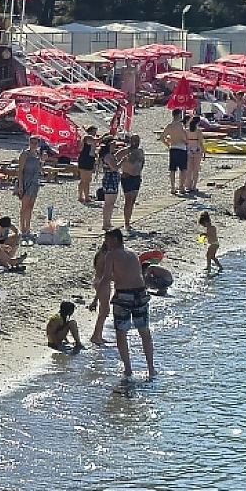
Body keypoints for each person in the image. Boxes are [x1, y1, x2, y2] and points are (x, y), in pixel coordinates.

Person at [94, 229, 155, 379]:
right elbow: (133, 274)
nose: (105, 243)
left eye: (107, 240)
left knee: (121, 333)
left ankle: (128, 369)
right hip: (141, 294)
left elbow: (106, 278)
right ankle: (151, 368)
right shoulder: (133, 253)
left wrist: (95, 299)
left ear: (115, 240)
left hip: (124, 296)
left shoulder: (111, 255)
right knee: (144, 332)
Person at [14, 137, 43, 236]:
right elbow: (20, 171)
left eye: (36, 143)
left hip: (34, 182)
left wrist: (43, 161)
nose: (34, 144)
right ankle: (22, 228)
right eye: (32, 142)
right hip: (26, 181)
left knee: (30, 206)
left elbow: (39, 169)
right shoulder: (24, 154)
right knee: (24, 206)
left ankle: (28, 227)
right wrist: (20, 185)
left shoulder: (37, 155)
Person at [87, 240, 112, 344]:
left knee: (103, 310)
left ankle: (98, 335)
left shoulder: (100, 254)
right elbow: (106, 273)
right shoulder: (105, 256)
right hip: (102, 282)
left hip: (100, 281)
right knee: (104, 311)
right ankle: (96, 336)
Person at [118, 134, 144, 229]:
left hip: (136, 177)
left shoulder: (140, 152)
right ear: (130, 141)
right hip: (127, 177)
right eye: (134, 140)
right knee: (128, 200)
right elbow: (114, 159)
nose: (136, 142)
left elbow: (142, 163)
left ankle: (129, 220)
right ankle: (126, 223)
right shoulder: (125, 151)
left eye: (137, 140)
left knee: (132, 200)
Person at [162, 109, 188, 195]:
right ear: (179, 115)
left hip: (173, 147)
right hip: (181, 148)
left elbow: (162, 137)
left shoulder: (170, 125)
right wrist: (185, 141)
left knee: (172, 169)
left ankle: (173, 187)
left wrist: (168, 144)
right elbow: (184, 137)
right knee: (183, 169)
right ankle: (181, 187)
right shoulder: (180, 125)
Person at [97, 138, 121, 230]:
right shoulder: (108, 156)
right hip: (110, 178)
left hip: (112, 178)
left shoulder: (110, 155)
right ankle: (105, 223)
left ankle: (108, 222)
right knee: (108, 203)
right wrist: (122, 162)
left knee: (111, 203)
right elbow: (114, 168)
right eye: (113, 144)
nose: (115, 145)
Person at [184, 114, 206, 193]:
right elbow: (200, 142)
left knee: (189, 169)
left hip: (189, 150)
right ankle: (194, 186)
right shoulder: (198, 131)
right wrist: (204, 152)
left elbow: (185, 141)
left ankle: (188, 186)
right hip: (197, 150)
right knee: (196, 169)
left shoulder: (186, 130)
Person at [76, 126, 98, 202]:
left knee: (83, 179)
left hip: (88, 158)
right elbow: (96, 141)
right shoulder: (87, 137)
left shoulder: (87, 138)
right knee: (87, 180)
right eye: (94, 131)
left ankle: (80, 196)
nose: (95, 133)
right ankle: (86, 197)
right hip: (86, 159)